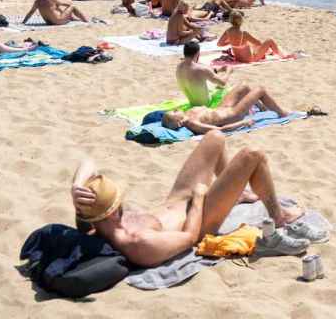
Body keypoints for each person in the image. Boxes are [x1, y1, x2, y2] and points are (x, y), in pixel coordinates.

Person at [68, 132, 315, 268]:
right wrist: (198, 199)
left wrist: (76, 186)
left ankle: (237, 193)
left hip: (176, 199)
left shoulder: (94, 219)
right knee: (253, 156)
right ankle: (279, 216)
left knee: (214, 138)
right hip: (199, 221)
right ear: (111, 211)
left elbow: (88, 162)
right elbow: (188, 239)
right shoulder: (137, 243)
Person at [163, 83, 295, 135]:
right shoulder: (192, 123)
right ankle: (282, 113)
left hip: (222, 108)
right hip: (233, 115)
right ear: (179, 123)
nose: (176, 109)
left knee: (244, 87)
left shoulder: (187, 113)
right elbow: (220, 130)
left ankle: (263, 108)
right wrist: (242, 123)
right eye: (174, 112)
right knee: (260, 90)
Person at [176, 40, 231, 107]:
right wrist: (229, 71)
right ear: (197, 53)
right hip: (206, 105)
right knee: (223, 87)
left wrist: (218, 70)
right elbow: (223, 83)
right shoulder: (201, 69)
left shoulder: (179, 67)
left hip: (192, 104)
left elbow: (201, 73)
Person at [218, 10, 284, 63]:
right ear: (241, 20)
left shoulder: (227, 31)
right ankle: (283, 56)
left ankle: (271, 52)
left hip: (238, 59)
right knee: (269, 41)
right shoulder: (244, 33)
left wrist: (230, 42)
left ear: (231, 20)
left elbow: (219, 44)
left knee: (250, 44)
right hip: (250, 60)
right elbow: (258, 43)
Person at [22, 0, 90, 25]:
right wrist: (69, 4)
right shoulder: (52, 0)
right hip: (58, 22)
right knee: (72, 7)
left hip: (48, 22)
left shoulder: (37, 1)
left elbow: (31, 12)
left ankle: (72, 18)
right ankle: (86, 21)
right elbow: (66, 5)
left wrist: (24, 22)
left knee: (56, 7)